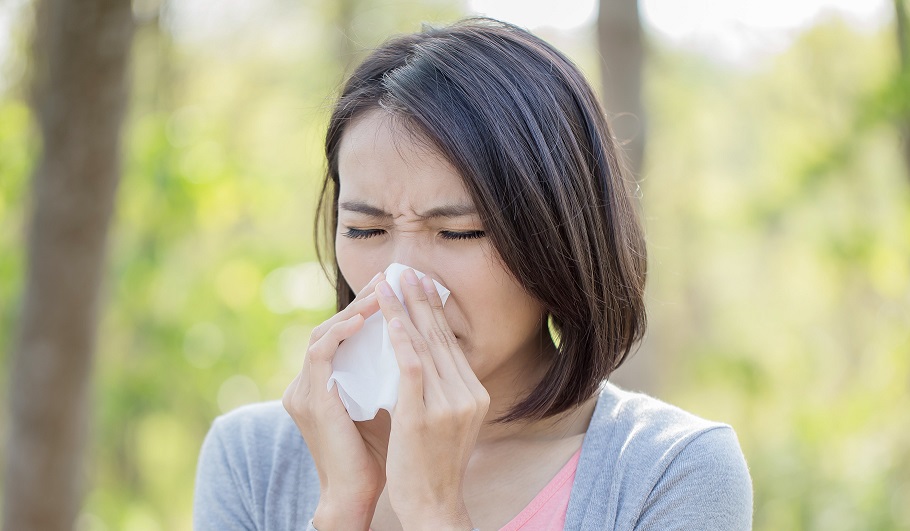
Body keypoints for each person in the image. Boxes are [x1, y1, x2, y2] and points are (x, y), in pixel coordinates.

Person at [193, 17, 752, 531]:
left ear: (557, 235)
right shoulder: (253, 458)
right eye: (365, 231)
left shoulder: (670, 471)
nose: (399, 279)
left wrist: (434, 512)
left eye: (459, 233)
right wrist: (343, 509)